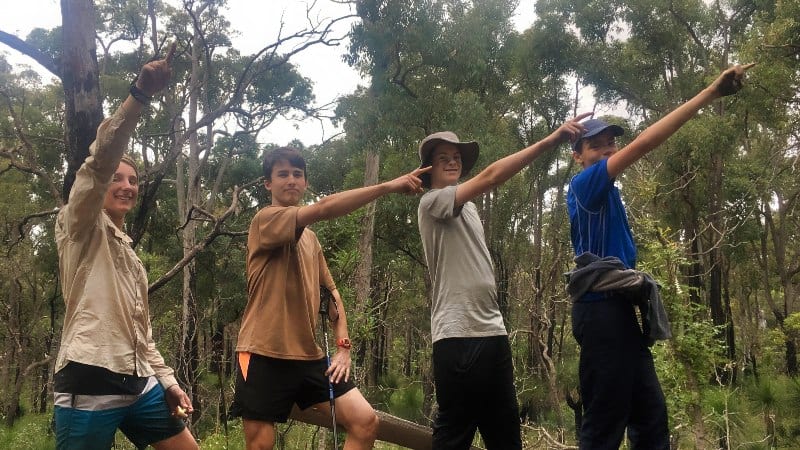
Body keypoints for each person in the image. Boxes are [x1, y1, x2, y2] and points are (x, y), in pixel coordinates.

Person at [566, 63, 754, 449]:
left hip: (619, 312)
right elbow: (645, 144)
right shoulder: (585, 185)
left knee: (650, 417)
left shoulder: (608, 192)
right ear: (577, 156)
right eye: (596, 144)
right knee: (603, 425)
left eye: (610, 142)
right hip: (600, 311)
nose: (607, 149)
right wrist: (710, 93)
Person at [232, 146, 430, 450]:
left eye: (298, 174)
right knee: (260, 445)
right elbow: (324, 208)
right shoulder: (265, 220)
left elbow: (333, 293)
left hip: (309, 358)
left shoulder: (310, 239)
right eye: (282, 174)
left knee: (365, 421)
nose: (291, 180)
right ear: (267, 184)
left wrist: (343, 347)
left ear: (305, 182)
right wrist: (390, 186)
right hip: (262, 353)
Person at [53, 44, 198, 450]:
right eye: (118, 179)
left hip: (139, 383)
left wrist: (166, 381)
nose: (126, 186)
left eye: (133, 181)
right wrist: (140, 95)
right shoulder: (78, 225)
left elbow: (140, 332)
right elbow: (99, 161)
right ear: (99, 188)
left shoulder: (129, 254)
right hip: (90, 378)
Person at [415, 114, 591, 450]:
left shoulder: (468, 209)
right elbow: (493, 176)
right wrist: (549, 141)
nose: (452, 162)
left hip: (493, 334)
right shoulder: (432, 202)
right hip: (456, 336)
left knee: (505, 433)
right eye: (443, 159)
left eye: (456, 158)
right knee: (454, 434)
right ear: (428, 170)